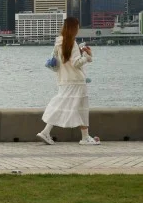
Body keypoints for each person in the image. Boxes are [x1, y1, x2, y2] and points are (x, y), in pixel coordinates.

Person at [37, 17, 100, 145]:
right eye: (77, 27)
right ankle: (84, 138)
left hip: (64, 80)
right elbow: (76, 63)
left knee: (61, 105)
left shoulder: (58, 44)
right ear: (74, 28)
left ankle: (47, 132)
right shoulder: (73, 43)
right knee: (82, 108)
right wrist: (87, 56)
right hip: (77, 81)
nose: (78, 29)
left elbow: (55, 64)